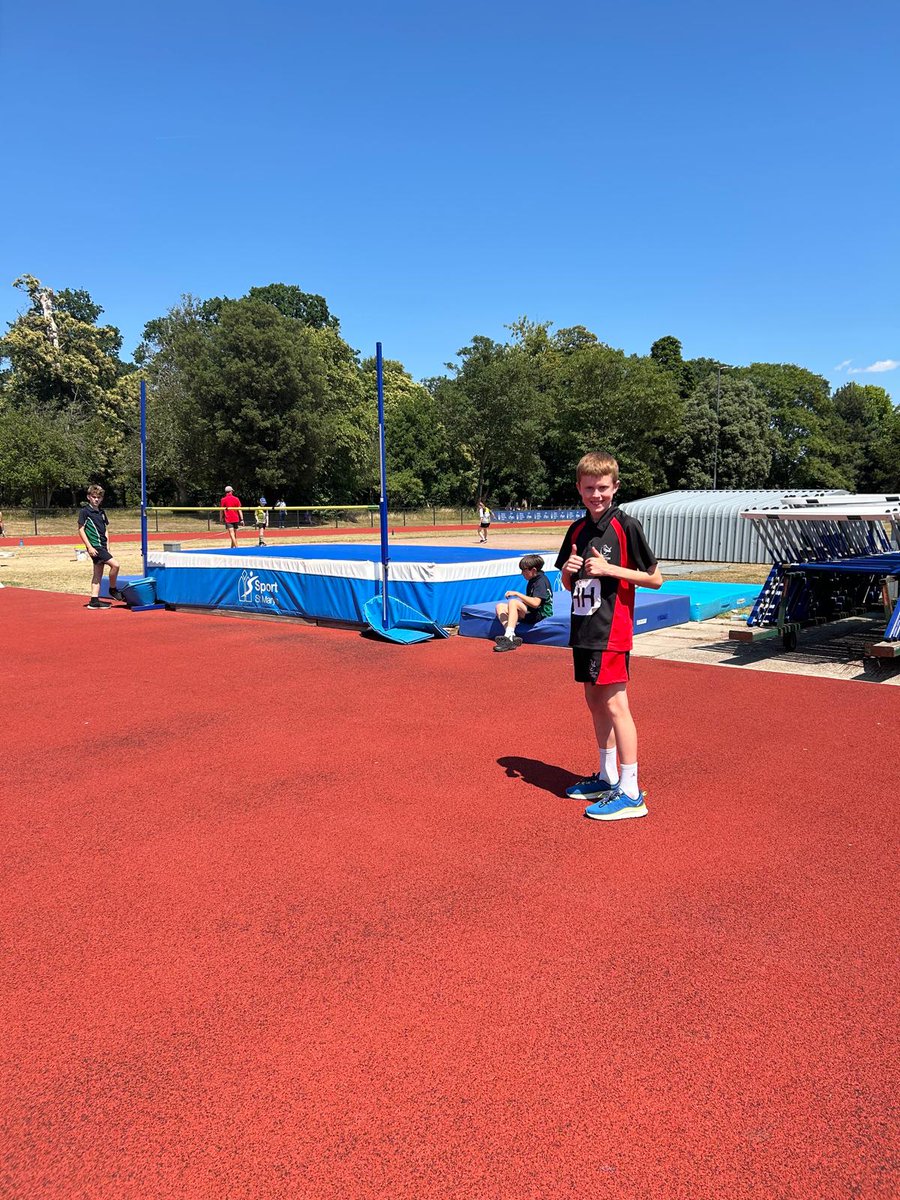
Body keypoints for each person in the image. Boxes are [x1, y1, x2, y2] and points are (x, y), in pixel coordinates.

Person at [554, 451, 662, 821]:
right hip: (583, 629)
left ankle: (631, 791)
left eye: (602, 488)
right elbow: (569, 585)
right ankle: (607, 776)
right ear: (579, 489)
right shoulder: (576, 530)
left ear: (615, 487)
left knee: (617, 706)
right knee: (594, 702)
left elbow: (655, 578)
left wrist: (610, 568)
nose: (595, 495)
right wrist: (568, 573)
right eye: (589, 488)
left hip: (612, 631)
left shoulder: (626, 526)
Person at [493, 554, 554, 652]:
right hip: (532, 611)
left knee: (513, 602)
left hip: (540, 614)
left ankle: (508, 637)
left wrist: (517, 594)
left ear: (533, 570)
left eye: (524, 570)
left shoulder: (540, 581)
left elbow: (536, 603)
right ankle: (510, 635)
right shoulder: (533, 579)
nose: (522, 573)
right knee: (500, 606)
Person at [77, 484, 124, 610]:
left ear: (102, 499)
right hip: (95, 546)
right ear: (88, 497)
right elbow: (81, 530)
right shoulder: (85, 512)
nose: (96, 499)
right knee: (115, 565)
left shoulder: (102, 512)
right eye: (93, 497)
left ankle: (94, 600)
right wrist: (89, 547)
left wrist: (108, 545)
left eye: (98, 497)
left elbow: (105, 529)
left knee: (98, 573)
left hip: (103, 546)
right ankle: (113, 590)